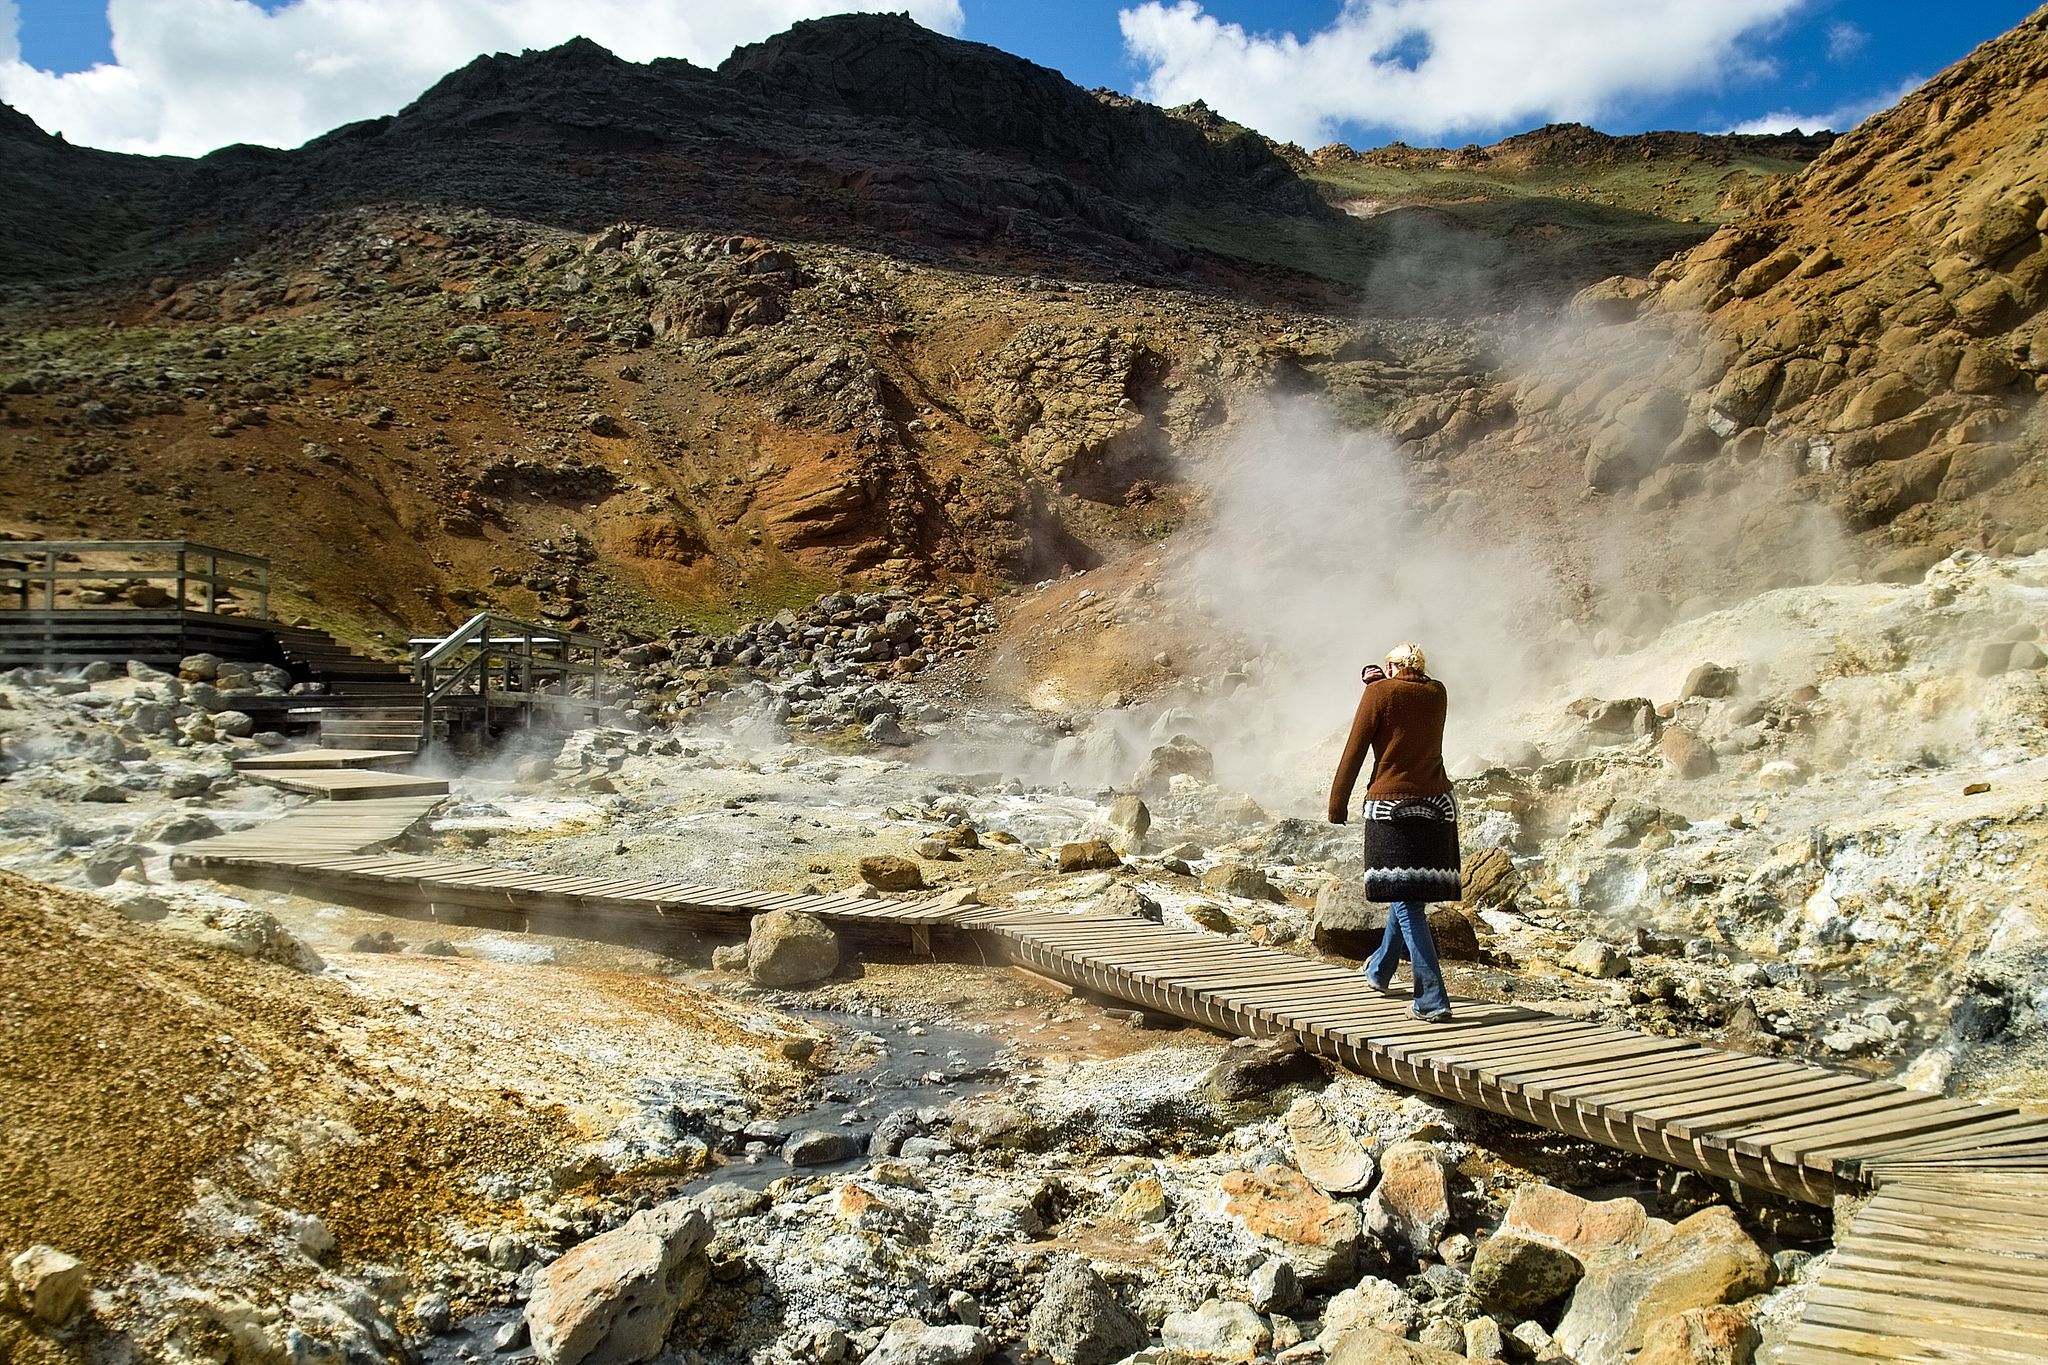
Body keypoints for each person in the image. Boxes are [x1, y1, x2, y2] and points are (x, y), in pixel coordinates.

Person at [1326, 642, 1460, 1022]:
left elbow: (1354, 750)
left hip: (1392, 808)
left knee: (1405, 899)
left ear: (1391, 666)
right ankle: (1380, 970)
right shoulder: (1438, 693)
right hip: (1438, 806)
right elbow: (1409, 713)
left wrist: (1338, 805)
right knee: (1409, 892)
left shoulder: (1379, 692)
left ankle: (1432, 998)